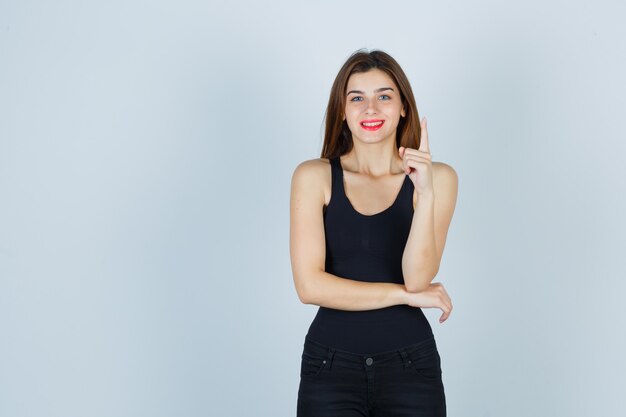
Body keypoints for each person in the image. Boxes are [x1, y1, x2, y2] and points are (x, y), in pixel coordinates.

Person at [289, 48, 458, 417]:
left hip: (411, 366)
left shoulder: (439, 179)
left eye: (384, 96)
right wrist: (402, 296)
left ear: (403, 108)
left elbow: (418, 280)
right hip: (329, 368)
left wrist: (425, 193)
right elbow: (310, 287)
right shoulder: (313, 176)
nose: (370, 109)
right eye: (357, 98)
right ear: (342, 111)